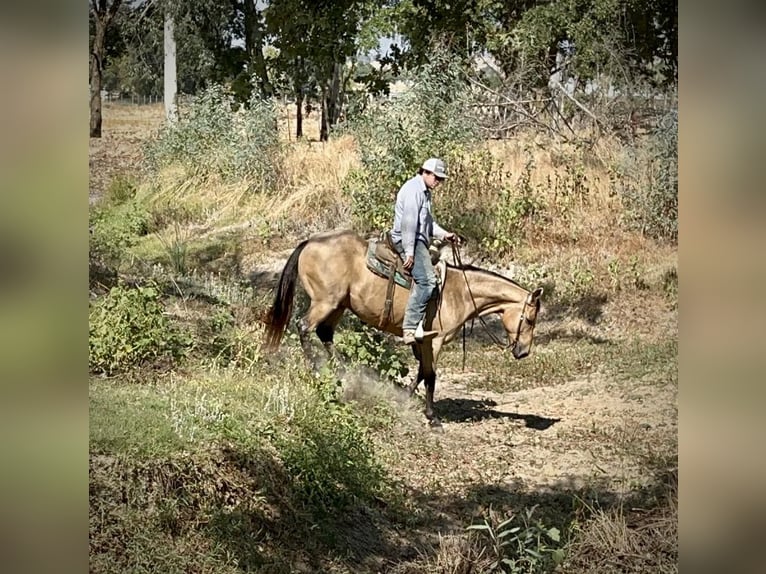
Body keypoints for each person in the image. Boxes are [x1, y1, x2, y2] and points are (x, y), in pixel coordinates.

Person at [390, 157, 458, 345]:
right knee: (427, 281)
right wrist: (409, 252)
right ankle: (410, 328)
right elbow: (409, 224)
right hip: (407, 239)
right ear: (425, 173)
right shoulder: (414, 190)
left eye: (440, 179)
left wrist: (445, 235)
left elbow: (427, 223)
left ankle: (424, 323)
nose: (438, 182)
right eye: (436, 177)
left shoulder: (424, 192)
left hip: (417, 239)